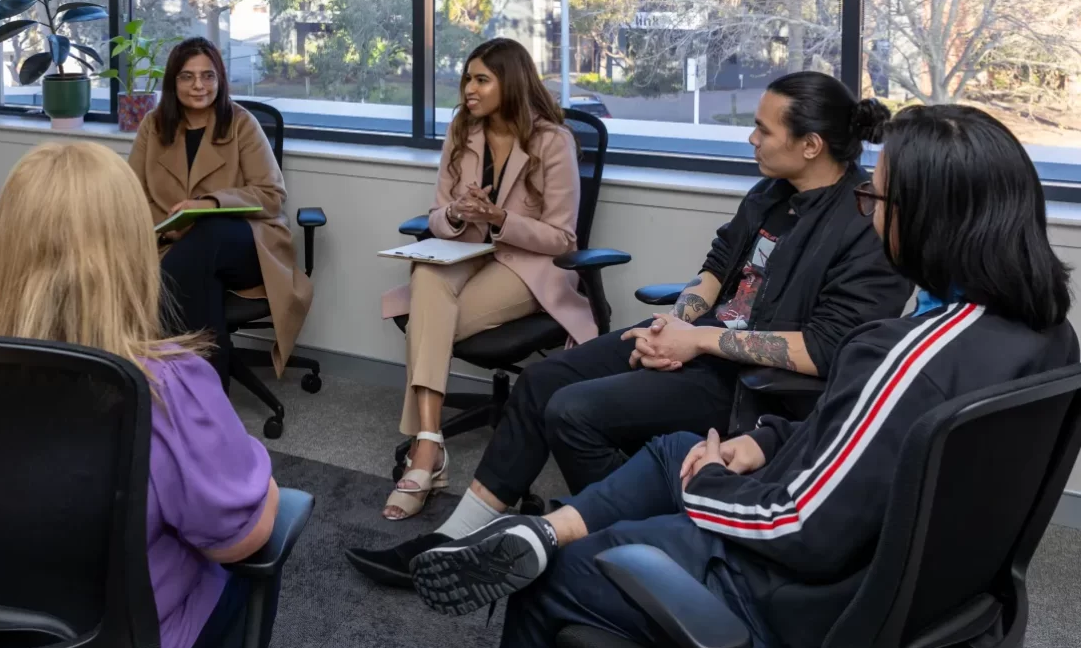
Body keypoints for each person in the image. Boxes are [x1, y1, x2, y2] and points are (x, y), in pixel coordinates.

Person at [409, 104, 1078, 648]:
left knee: (563, 576)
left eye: (878, 197)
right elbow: (864, 440)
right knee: (671, 449)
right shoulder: (1047, 336)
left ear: (927, 217)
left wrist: (712, 483)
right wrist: (764, 442)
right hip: (926, 584)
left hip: (801, 599)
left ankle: (561, 550)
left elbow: (798, 525)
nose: (871, 211)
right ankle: (544, 531)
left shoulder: (904, 358)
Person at [349, 71, 909, 581]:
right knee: (543, 381)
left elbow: (826, 349)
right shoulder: (771, 194)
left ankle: (630, 551)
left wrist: (695, 341)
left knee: (573, 412)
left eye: (764, 130)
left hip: (749, 384)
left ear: (811, 145)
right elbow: (715, 270)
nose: (751, 139)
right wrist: (672, 325)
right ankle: (456, 538)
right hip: (700, 340)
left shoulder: (865, 224)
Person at [0, 141, 282, 648]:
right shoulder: (166, 385)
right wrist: (261, 480)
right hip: (120, 643)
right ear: (133, 248)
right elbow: (239, 540)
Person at [378, 38, 591, 521]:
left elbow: (563, 238)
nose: (468, 90)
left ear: (509, 83)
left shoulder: (553, 141)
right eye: (466, 79)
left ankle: (424, 458)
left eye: (481, 80)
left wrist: (500, 219)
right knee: (427, 274)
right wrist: (455, 213)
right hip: (467, 252)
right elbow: (436, 214)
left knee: (427, 321)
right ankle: (430, 443)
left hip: (527, 265)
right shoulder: (462, 130)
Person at [127, 37, 312, 380]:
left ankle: (170, 382)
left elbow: (271, 195)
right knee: (200, 279)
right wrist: (172, 227)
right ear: (173, 82)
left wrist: (209, 204)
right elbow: (131, 196)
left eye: (208, 76)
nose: (199, 85)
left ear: (220, 80)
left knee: (208, 234)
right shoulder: (153, 126)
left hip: (247, 246)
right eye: (187, 76)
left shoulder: (241, 123)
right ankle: (211, 390)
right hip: (175, 246)